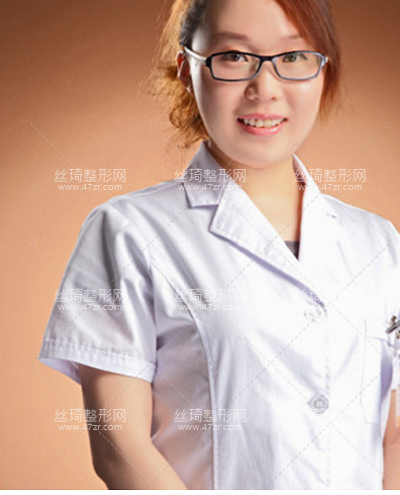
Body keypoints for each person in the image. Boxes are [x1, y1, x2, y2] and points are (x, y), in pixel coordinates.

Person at [38, 0, 400, 489]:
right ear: (187, 71)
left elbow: (393, 435)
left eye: (293, 57)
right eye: (233, 56)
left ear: (323, 72)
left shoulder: (378, 242)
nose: (265, 88)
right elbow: (120, 448)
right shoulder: (127, 232)